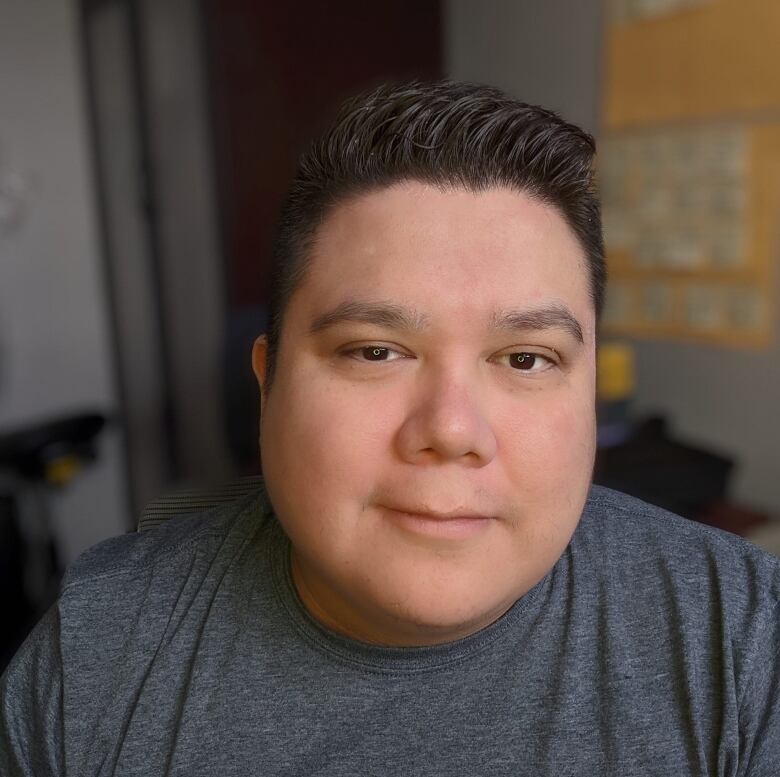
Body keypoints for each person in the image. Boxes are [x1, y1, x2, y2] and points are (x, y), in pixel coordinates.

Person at [1, 80, 779, 776]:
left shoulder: (741, 637)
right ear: (267, 381)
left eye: (527, 358)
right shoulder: (96, 655)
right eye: (375, 350)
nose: (451, 429)